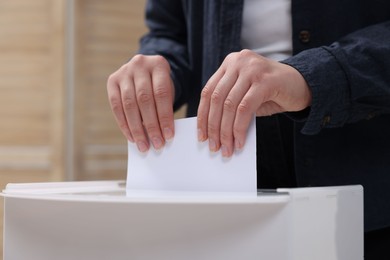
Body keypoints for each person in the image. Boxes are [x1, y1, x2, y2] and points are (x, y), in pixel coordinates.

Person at [107, 0, 390, 258]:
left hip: (362, 152)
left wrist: (310, 75)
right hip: (222, 159)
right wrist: (159, 70)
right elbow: (169, 31)